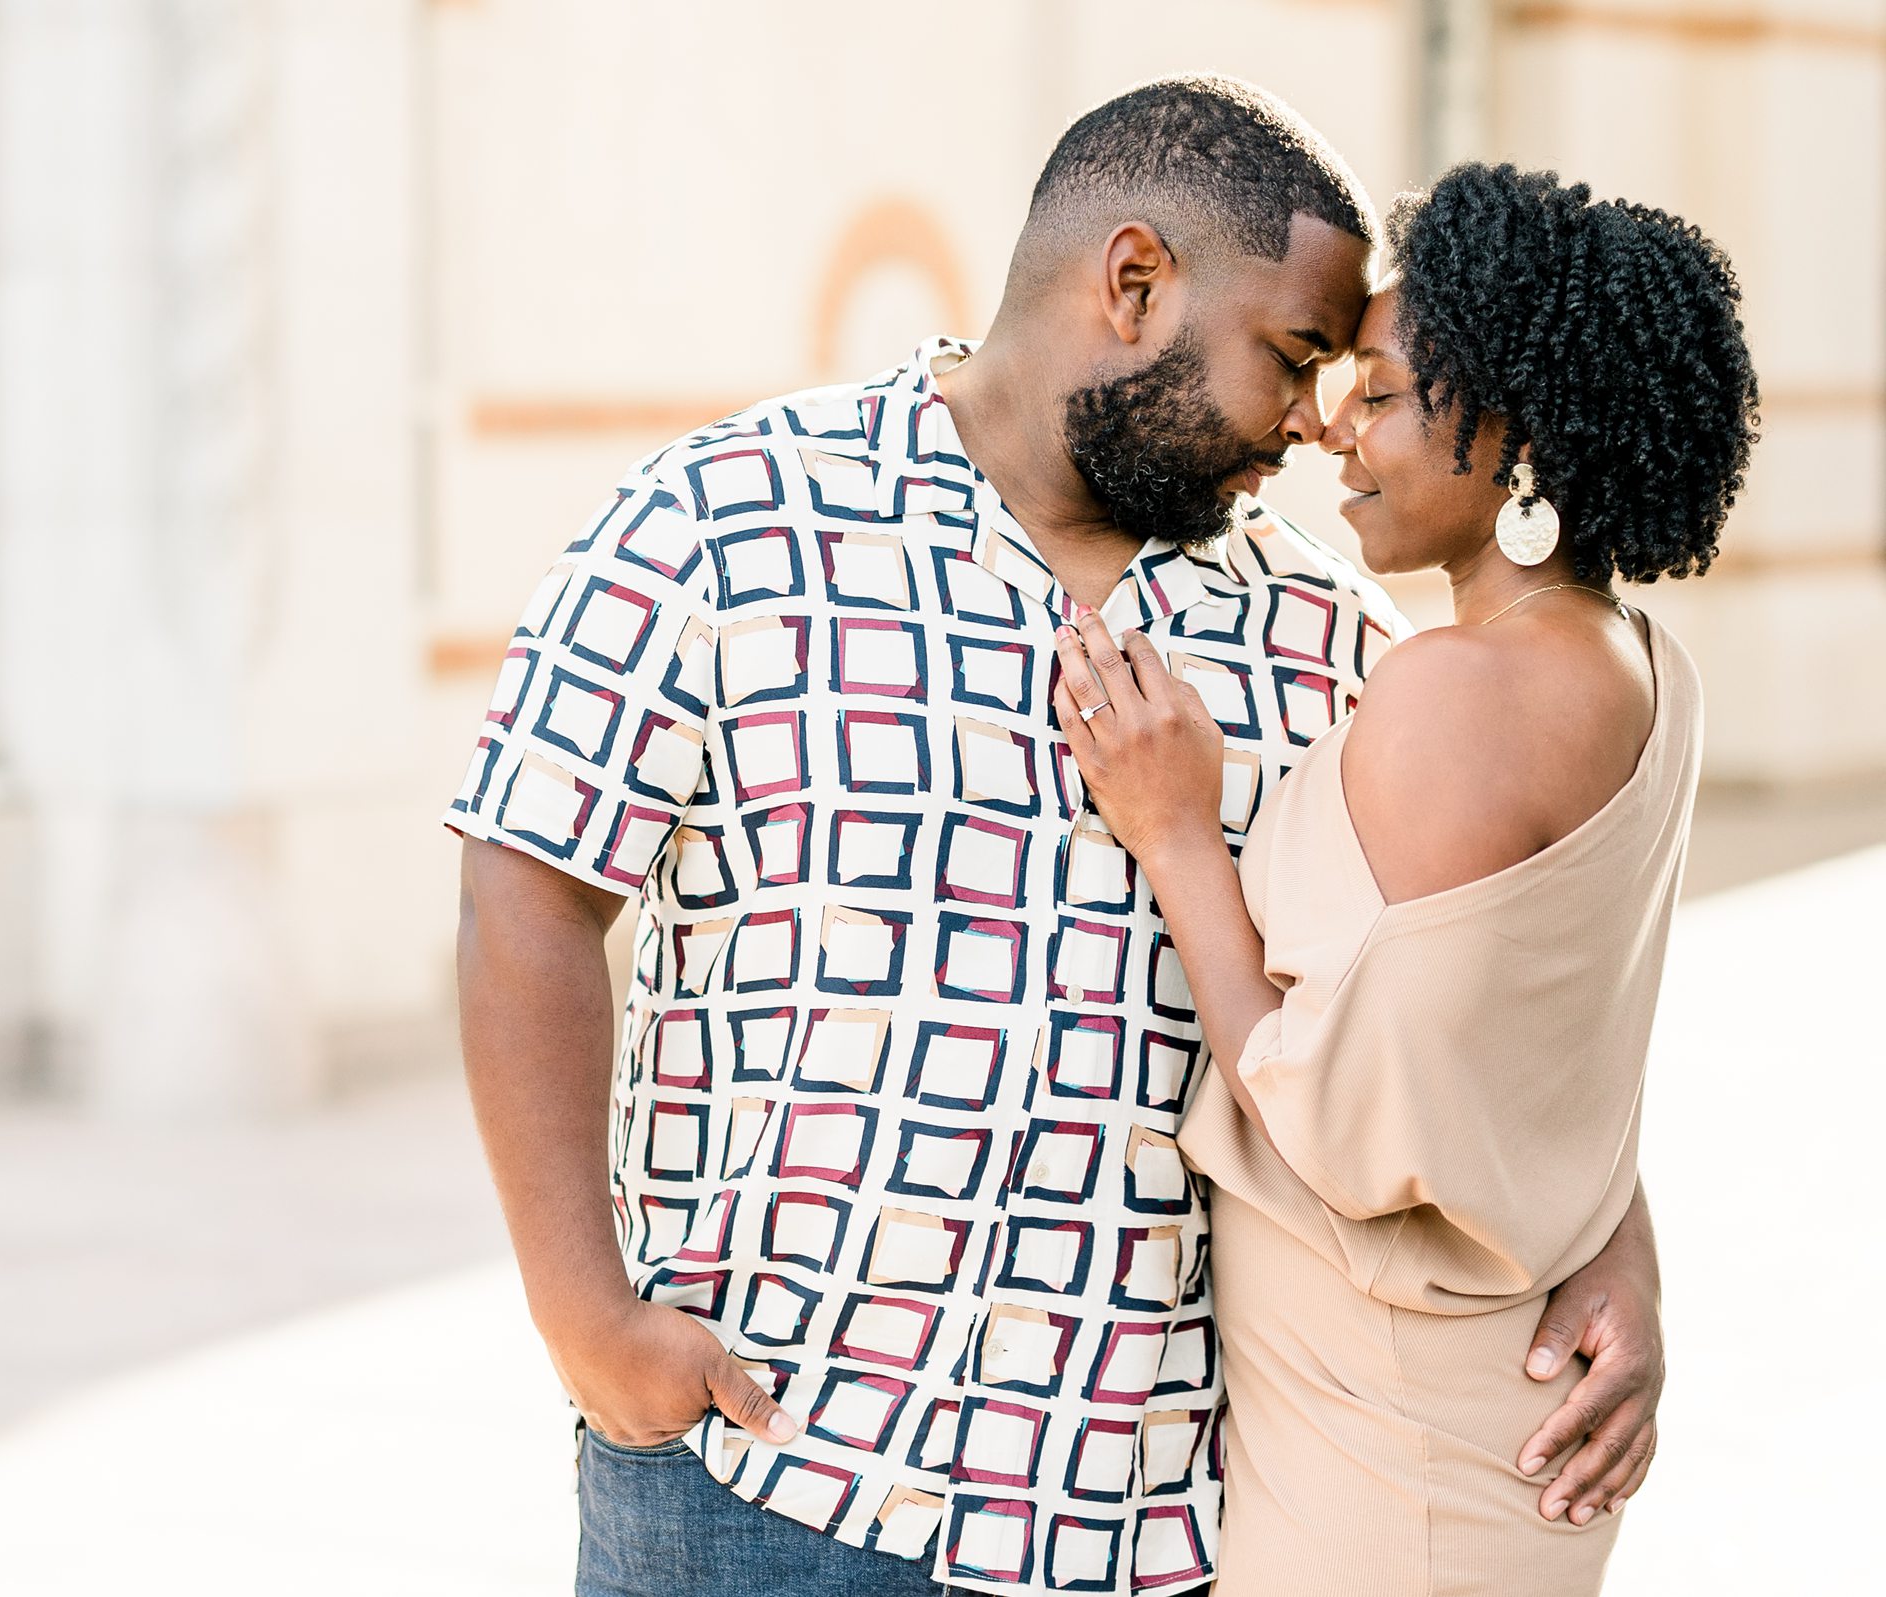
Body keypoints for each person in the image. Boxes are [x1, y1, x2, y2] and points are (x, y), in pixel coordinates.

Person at [448, 79, 1667, 1597]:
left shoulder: (1333, 639)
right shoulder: (727, 519)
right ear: (1135, 282)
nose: (1315, 421)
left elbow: (1472, 992)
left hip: (1142, 1530)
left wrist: (1614, 1232)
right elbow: (526, 883)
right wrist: (587, 1322)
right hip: (769, 1487)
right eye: (1291, 359)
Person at [1047, 161, 1758, 1594]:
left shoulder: (1460, 692)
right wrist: (1635, 1247)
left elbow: (1341, 1116)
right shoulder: (1639, 674)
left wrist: (1178, 831)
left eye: (1378, 391)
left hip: (1392, 1461)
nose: (1330, 429)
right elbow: (1530, 1055)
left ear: (1510, 431)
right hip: (1460, 1412)